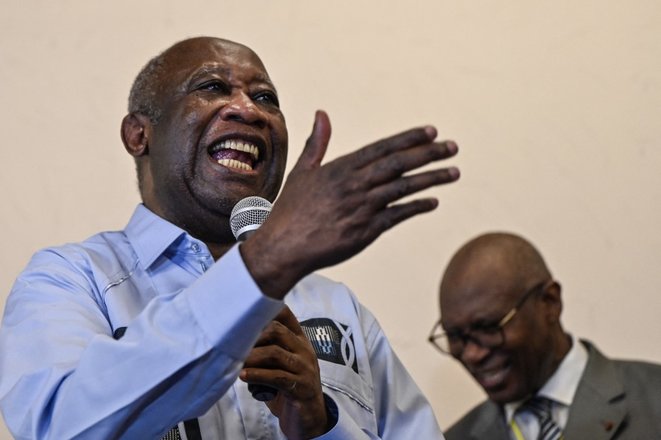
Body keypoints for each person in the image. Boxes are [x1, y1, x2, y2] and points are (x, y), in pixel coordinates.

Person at [0, 36, 460, 439]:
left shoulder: (339, 310)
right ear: (139, 134)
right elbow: (59, 427)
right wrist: (259, 269)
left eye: (266, 97)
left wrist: (322, 425)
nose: (249, 110)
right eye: (212, 87)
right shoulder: (70, 280)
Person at [429, 232, 661, 439]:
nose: (472, 354)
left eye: (489, 327)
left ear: (550, 302)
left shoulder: (653, 399)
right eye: (456, 336)